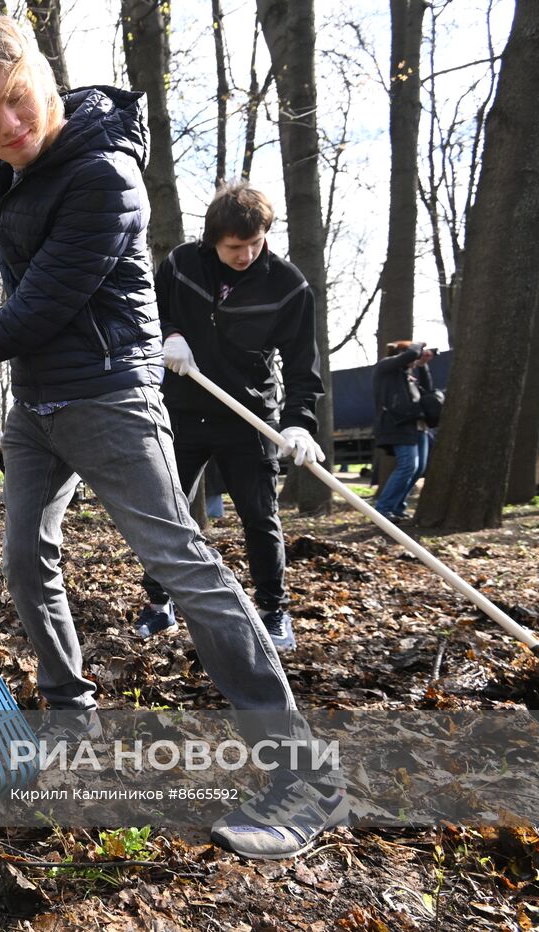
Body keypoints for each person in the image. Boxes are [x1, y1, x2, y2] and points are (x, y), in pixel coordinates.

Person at [0, 17, 342, 860]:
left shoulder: (104, 174)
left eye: (15, 100)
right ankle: (72, 721)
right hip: (39, 409)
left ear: (41, 77)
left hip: (112, 399)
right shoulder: (16, 172)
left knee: (182, 567)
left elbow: (35, 309)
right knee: (22, 560)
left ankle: (303, 776)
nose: (8, 124)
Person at [149, 181, 325, 650]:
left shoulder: (288, 286)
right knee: (165, 512)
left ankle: (273, 611)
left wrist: (299, 422)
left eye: (255, 243)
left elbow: (303, 365)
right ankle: (158, 601)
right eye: (234, 246)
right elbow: (151, 310)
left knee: (260, 517)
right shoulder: (182, 264)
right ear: (212, 239)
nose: (246, 254)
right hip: (182, 410)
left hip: (249, 417)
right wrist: (171, 334)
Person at [372, 340, 436, 520]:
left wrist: (423, 366)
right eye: (414, 357)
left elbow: (428, 391)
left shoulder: (407, 375)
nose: (415, 361)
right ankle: (383, 509)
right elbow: (409, 355)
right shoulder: (385, 368)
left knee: (417, 469)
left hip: (418, 426)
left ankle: (398, 506)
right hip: (397, 426)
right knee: (408, 466)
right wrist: (420, 345)